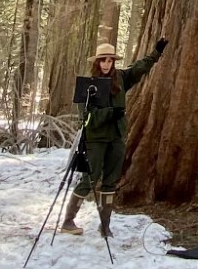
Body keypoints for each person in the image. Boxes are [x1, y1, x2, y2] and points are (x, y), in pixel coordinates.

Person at [61, 36, 168, 238]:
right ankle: (68, 220)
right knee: (89, 179)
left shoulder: (120, 78)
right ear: (97, 62)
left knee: (110, 181)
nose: (107, 64)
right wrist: (110, 113)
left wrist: (157, 52)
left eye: (110, 60)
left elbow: (139, 68)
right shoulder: (88, 85)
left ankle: (105, 225)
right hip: (95, 139)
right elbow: (85, 118)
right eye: (103, 60)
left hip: (116, 138)